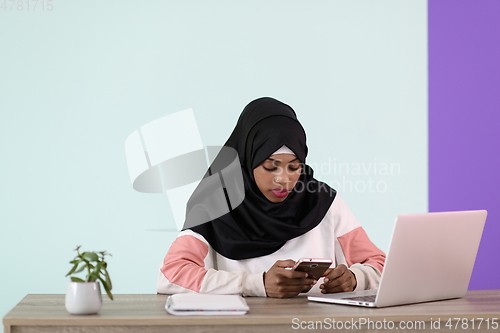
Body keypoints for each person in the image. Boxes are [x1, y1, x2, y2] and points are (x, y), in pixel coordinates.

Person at [156, 97, 385, 298]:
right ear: (247, 160)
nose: (283, 180)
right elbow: (171, 275)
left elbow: (383, 266)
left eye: (294, 167)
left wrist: (355, 279)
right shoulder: (214, 205)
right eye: (270, 167)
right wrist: (257, 284)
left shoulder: (322, 201)